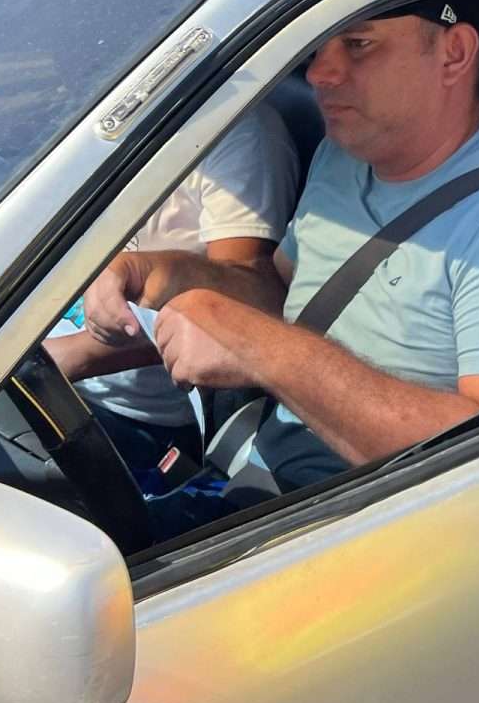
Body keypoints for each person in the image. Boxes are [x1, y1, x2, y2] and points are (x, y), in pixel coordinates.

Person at [83, 0, 479, 526]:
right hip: (257, 478)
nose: (318, 73)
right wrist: (163, 273)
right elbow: (281, 294)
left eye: (358, 44)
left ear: (453, 53)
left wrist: (260, 347)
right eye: (319, 47)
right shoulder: (344, 154)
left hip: (370, 530)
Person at [44, 104, 299, 479]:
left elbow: (244, 308)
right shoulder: (101, 113)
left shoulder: (237, 133)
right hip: (40, 360)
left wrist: (68, 359)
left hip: (126, 413)